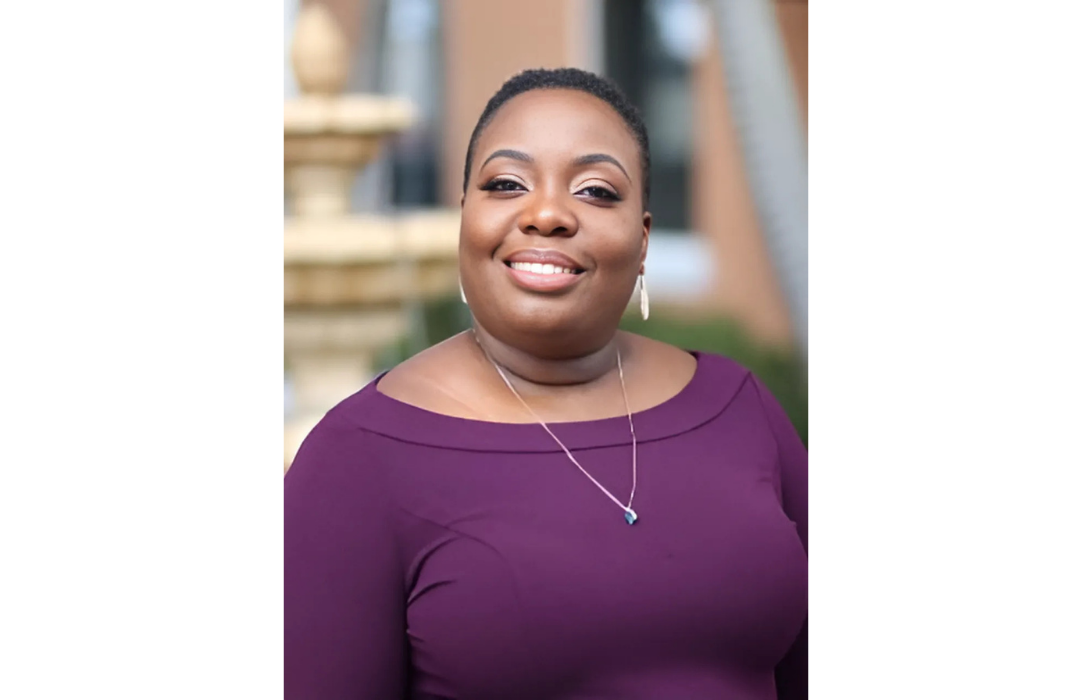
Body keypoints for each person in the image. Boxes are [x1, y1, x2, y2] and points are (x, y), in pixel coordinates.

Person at [285, 67, 807, 699]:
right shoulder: (357, 458)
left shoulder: (736, 408)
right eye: (507, 184)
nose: (548, 214)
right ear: (465, 221)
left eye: (595, 190)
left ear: (642, 241)